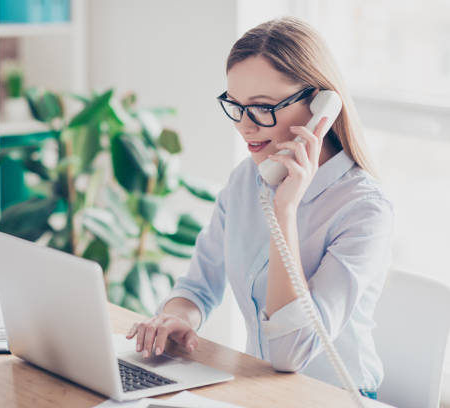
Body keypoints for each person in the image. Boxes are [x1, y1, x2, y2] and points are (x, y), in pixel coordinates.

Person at [126, 17, 393, 400]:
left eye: (263, 108)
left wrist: (285, 210)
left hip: (334, 397)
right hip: (259, 391)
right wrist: (177, 318)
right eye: (235, 106)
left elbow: (290, 355)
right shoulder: (245, 181)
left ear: (322, 106)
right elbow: (198, 287)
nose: (245, 126)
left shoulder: (364, 210)